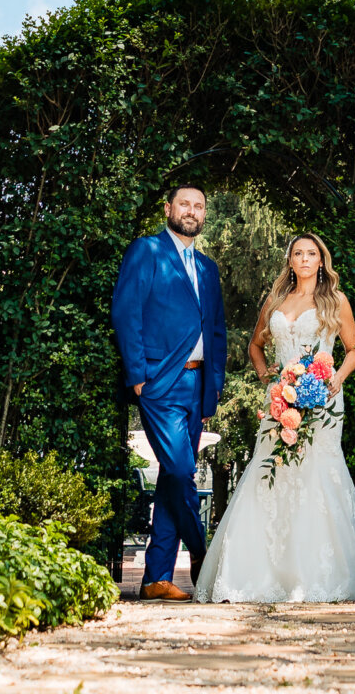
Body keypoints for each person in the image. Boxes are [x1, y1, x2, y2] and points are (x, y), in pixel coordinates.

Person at [195, 231, 355, 603]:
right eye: (299, 253)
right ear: (290, 261)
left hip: (323, 404)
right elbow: (256, 346)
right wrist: (269, 379)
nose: (306, 259)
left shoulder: (335, 301)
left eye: (312, 253)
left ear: (321, 261)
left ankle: (315, 576)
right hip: (280, 402)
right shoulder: (276, 300)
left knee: (317, 477)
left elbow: (353, 349)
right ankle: (260, 572)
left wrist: (337, 378)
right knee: (271, 473)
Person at [111, 184, 228, 601]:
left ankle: (156, 577)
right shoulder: (146, 251)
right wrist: (139, 375)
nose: (192, 211)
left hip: (198, 385)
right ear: (169, 208)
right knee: (181, 471)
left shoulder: (209, 268)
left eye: (199, 205)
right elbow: (126, 311)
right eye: (185, 204)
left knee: (170, 480)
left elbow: (216, 331)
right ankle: (202, 551)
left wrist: (213, 389)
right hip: (160, 381)